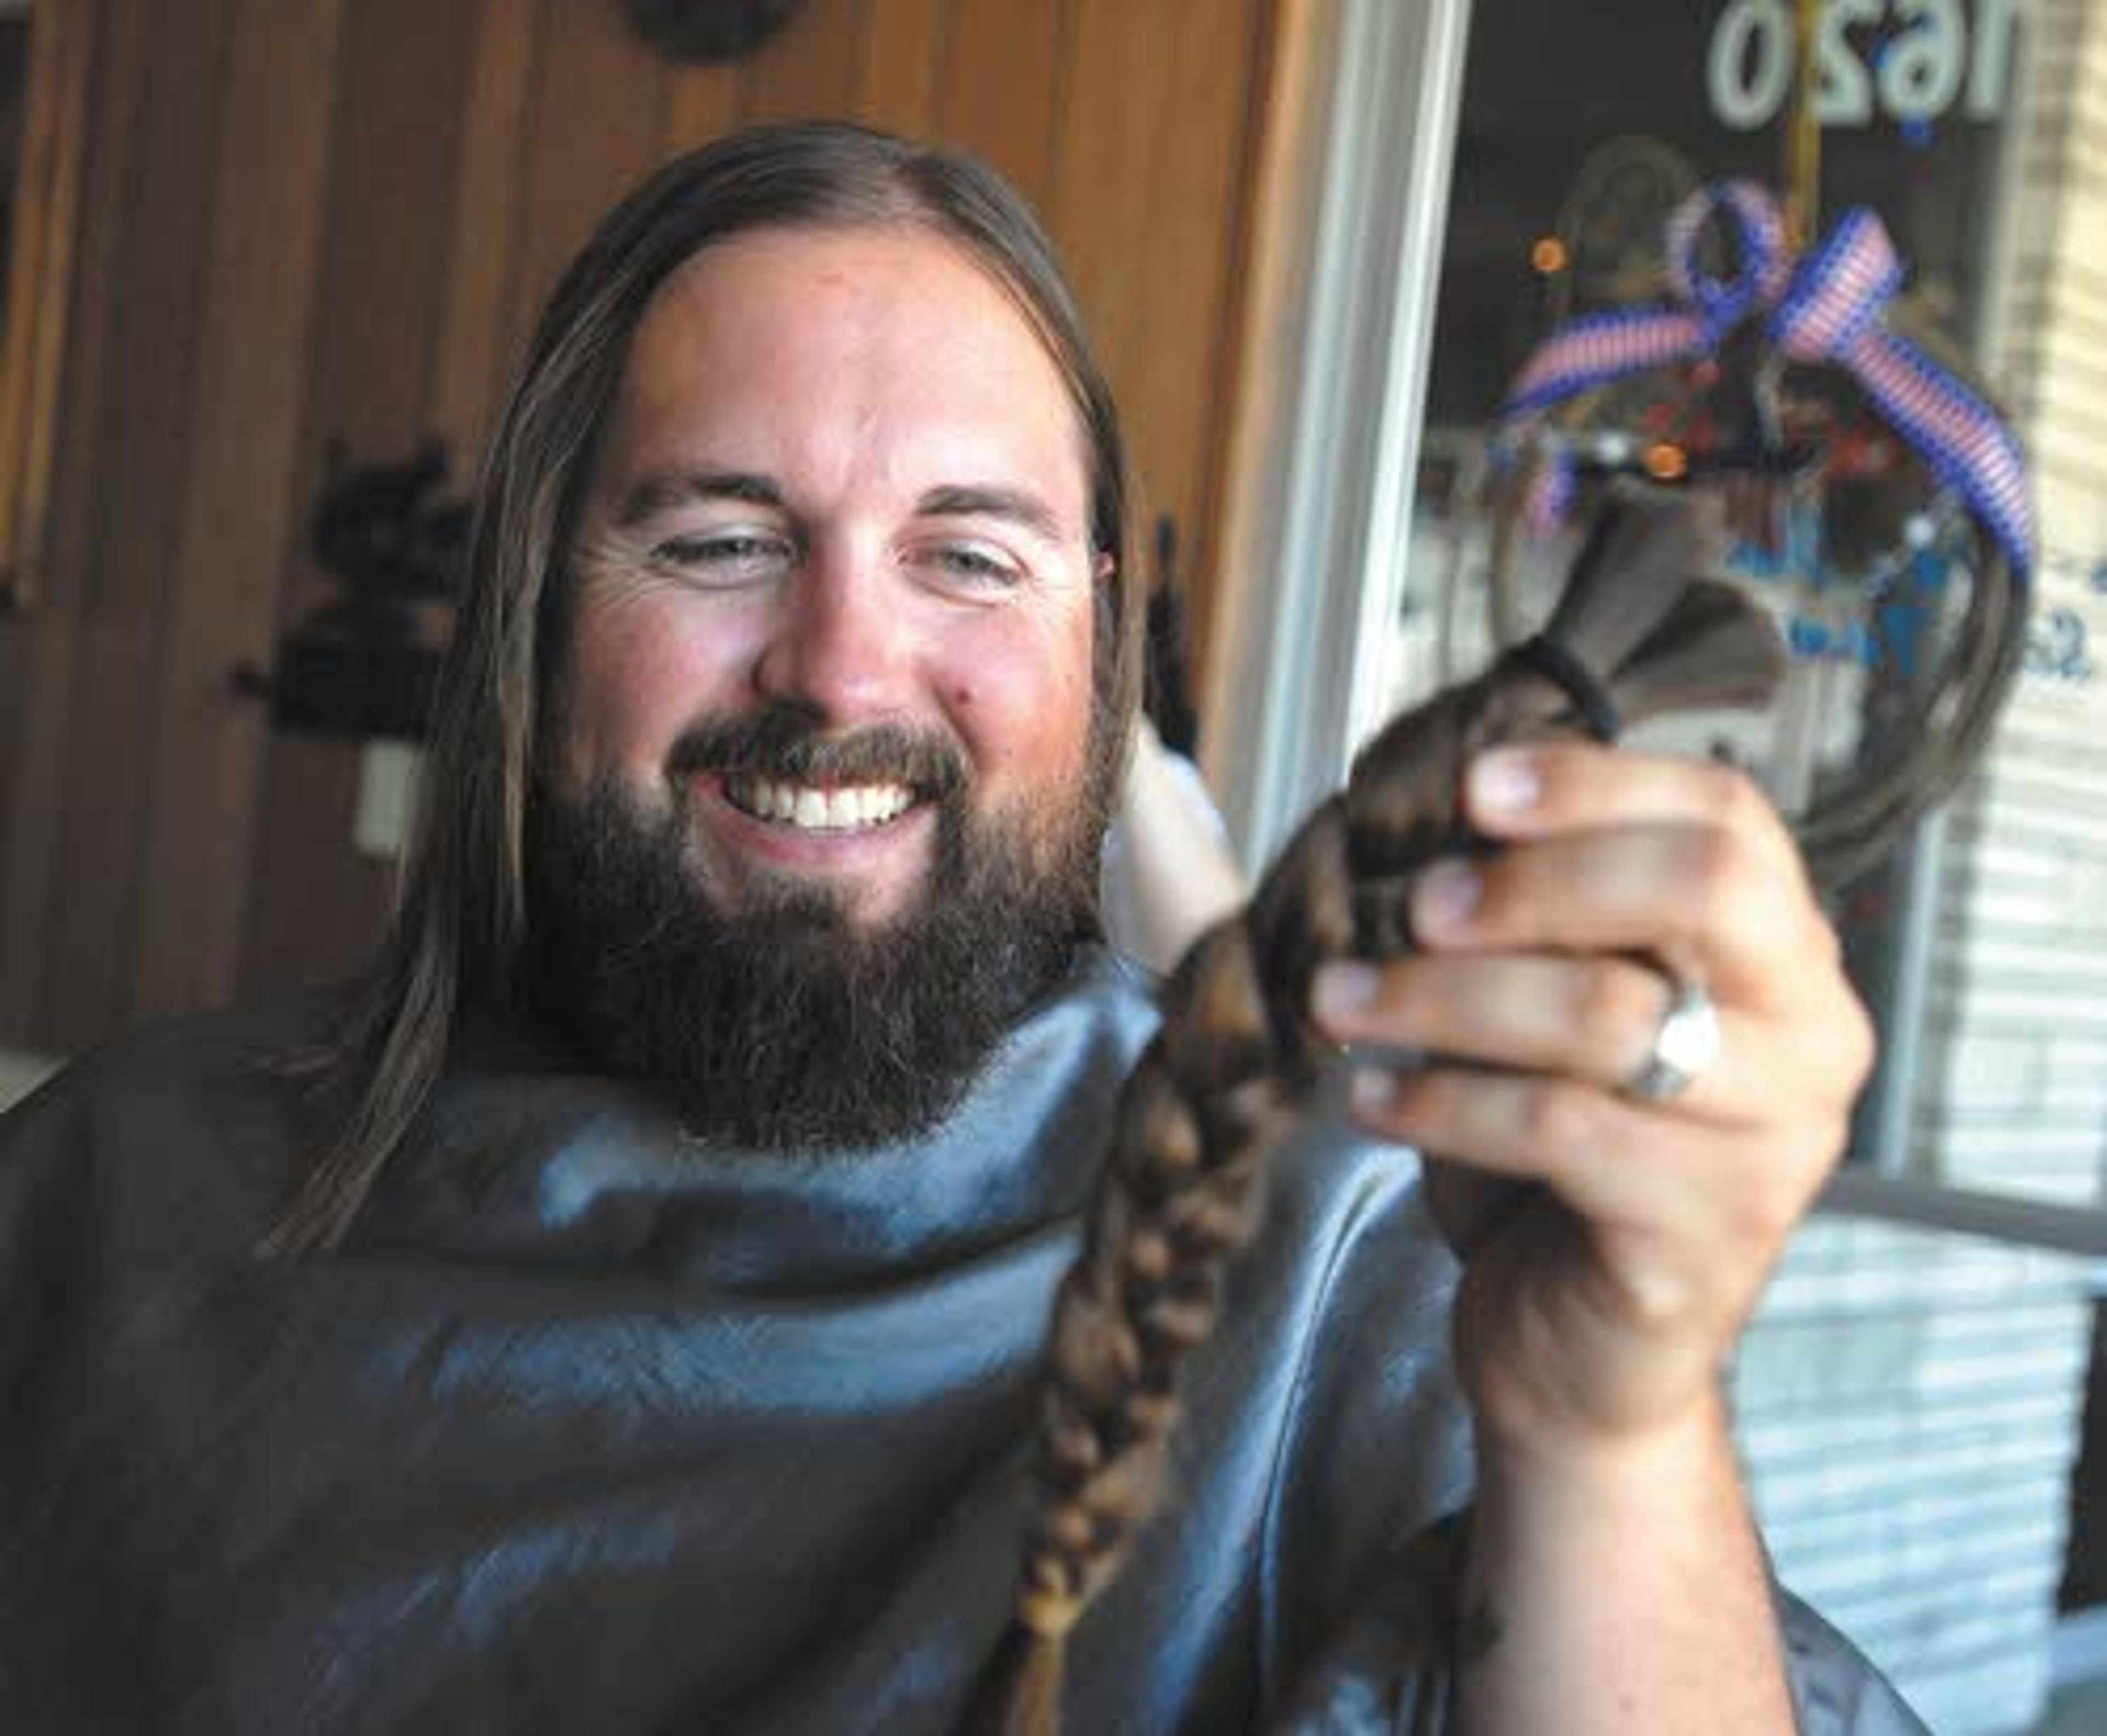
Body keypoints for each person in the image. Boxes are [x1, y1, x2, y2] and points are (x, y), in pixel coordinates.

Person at [0, 121, 1921, 1733]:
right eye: (720, 541)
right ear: (535, 609)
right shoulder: (103, 1202)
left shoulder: (1366, 1242)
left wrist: (1611, 1424)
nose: (845, 668)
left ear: (1100, 638)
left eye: (967, 557)